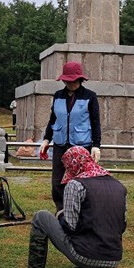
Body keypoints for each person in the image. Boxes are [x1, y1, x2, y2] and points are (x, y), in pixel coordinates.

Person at [13, 146, 126, 268]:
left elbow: (70, 226)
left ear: (72, 165)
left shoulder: (75, 184)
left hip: (84, 255)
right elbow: (122, 227)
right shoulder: (119, 186)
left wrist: (60, 215)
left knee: (41, 217)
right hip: (114, 257)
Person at [38, 62, 102, 211]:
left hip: (81, 145)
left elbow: (95, 122)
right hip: (60, 144)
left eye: (73, 80)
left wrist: (96, 145)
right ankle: (61, 209)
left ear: (80, 79)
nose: (70, 83)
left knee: (80, 180)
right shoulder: (58, 96)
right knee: (58, 181)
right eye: (67, 80)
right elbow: (53, 120)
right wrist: (47, 139)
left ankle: (81, 209)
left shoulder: (90, 96)